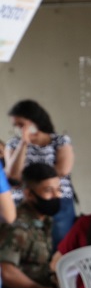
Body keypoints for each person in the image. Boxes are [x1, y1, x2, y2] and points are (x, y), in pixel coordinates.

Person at [5, 100, 76, 249]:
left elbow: (63, 169)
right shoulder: (13, 144)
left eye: (21, 124)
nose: (18, 129)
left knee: (59, 245)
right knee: (23, 246)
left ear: (33, 121)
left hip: (56, 200)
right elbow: (12, 174)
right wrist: (23, 144)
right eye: (15, 126)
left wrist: (33, 180)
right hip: (24, 202)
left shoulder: (59, 141)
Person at [0, 163, 61, 288]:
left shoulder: (44, 220)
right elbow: (5, 271)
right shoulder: (18, 226)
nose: (57, 195)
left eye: (58, 189)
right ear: (29, 194)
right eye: (49, 191)